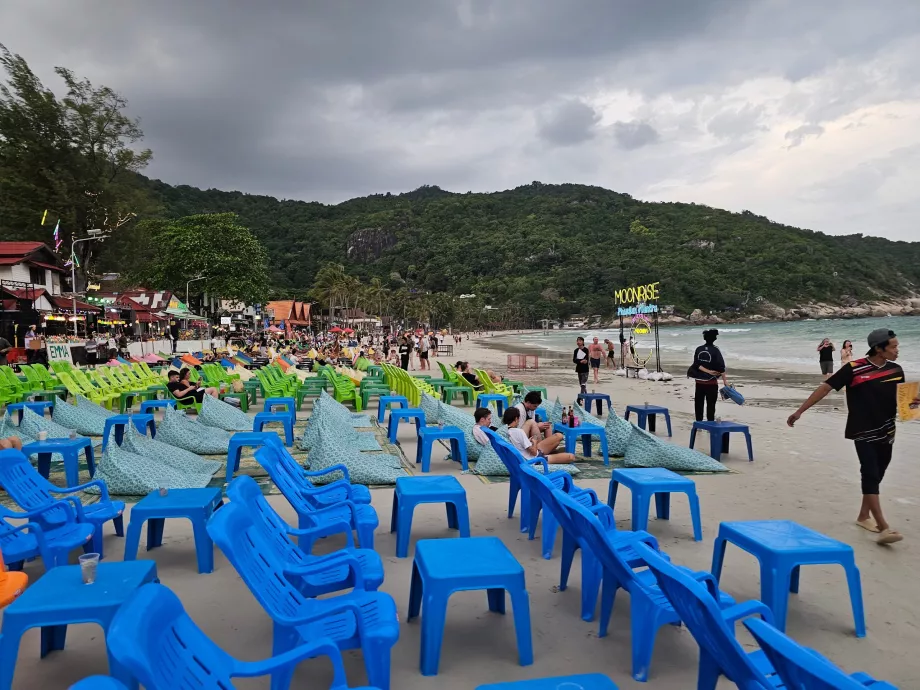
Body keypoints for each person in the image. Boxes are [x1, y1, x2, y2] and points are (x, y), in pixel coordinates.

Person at [787, 328, 917, 546]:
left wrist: (914, 404)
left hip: (887, 430)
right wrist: (800, 411)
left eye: (897, 346)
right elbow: (825, 388)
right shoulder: (854, 369)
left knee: (878, 474)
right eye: (893, 346)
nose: (897, 350)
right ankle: (884, 527)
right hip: (862, 430)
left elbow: (903, 401)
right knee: (870, 472)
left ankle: (863, 516)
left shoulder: (896, 369)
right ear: (878, 348)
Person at [502, 407, 574, 464]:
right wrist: (535, 442)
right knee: (571, 457)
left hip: (530, 453)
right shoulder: (519, 432)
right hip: (535, 458)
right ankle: (553, 453)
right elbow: (533, 452)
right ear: (516, 419)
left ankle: (554, 452)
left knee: (559, 436)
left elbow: (520, 445)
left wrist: (529, 441)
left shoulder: (507, 431)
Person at [688, 329, 728, 422]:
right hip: (711, 383)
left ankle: (699, 424)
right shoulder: (715, 350)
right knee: (711, 405)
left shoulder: (699, 349)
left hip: (699, 382)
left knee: (698, 404)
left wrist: (707, 371)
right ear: (714, 339)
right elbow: (721, 367)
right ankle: (710, 424)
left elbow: (696, 364)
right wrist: (725, 381)